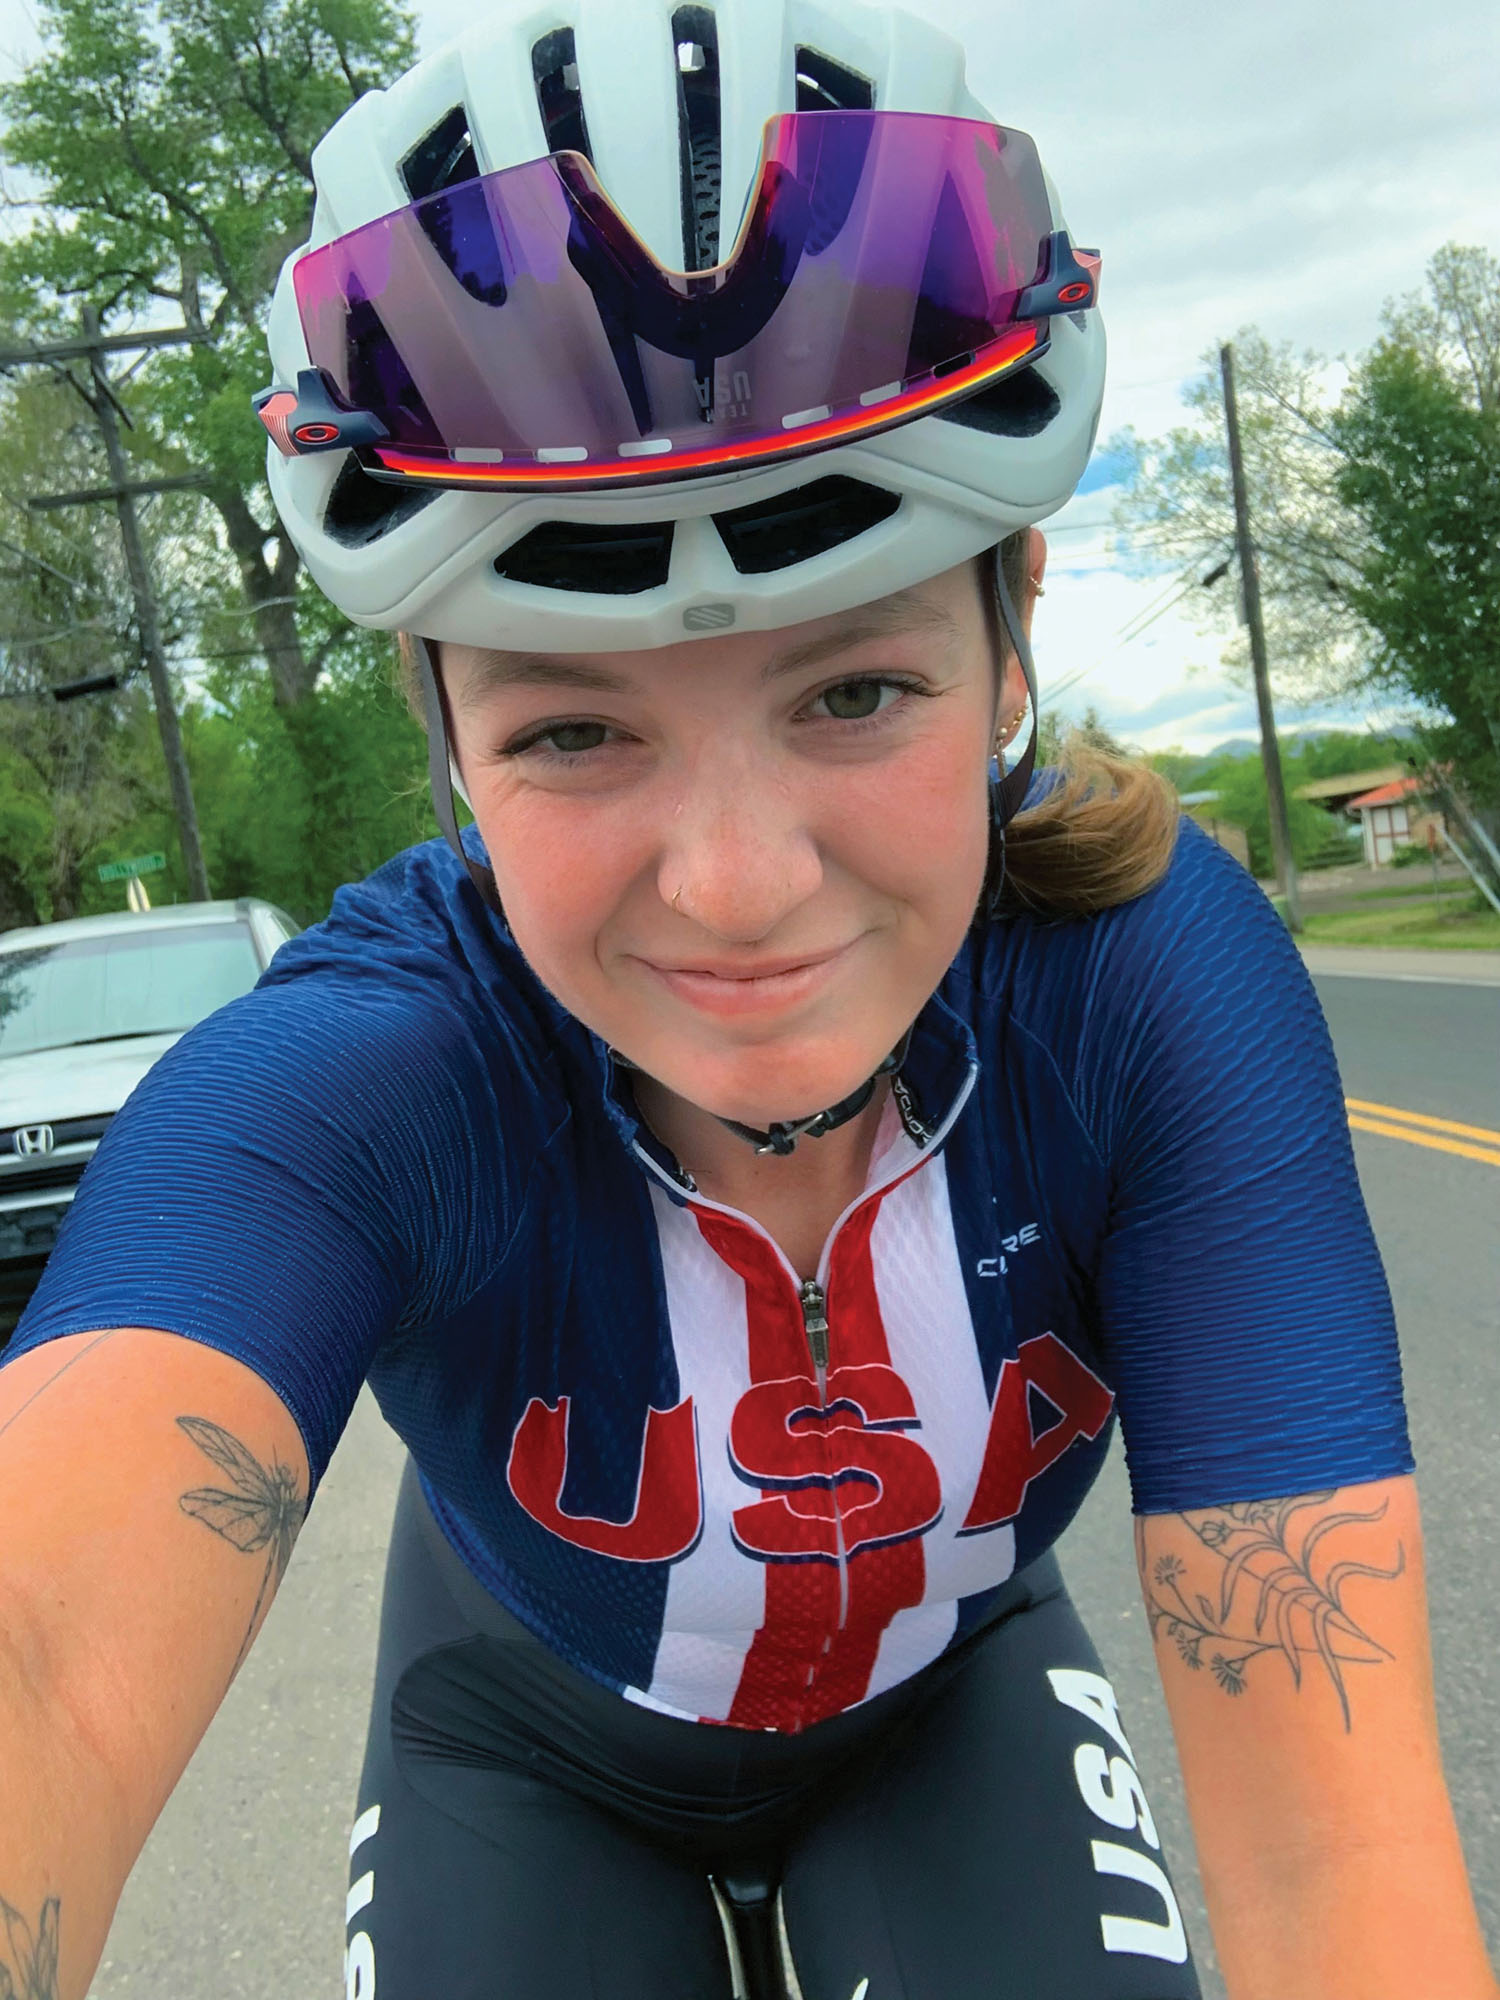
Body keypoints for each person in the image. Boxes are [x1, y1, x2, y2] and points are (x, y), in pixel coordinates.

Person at [0, 3, 1494, 1996]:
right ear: (440, 728)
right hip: (515, 1739)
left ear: (1014, 620)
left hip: (940, 1715)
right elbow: (42, 1662)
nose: (738, 887)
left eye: (854, 691)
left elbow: (1337, 1866)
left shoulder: (1151, 989)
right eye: (576, 732)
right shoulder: (371, 1075)